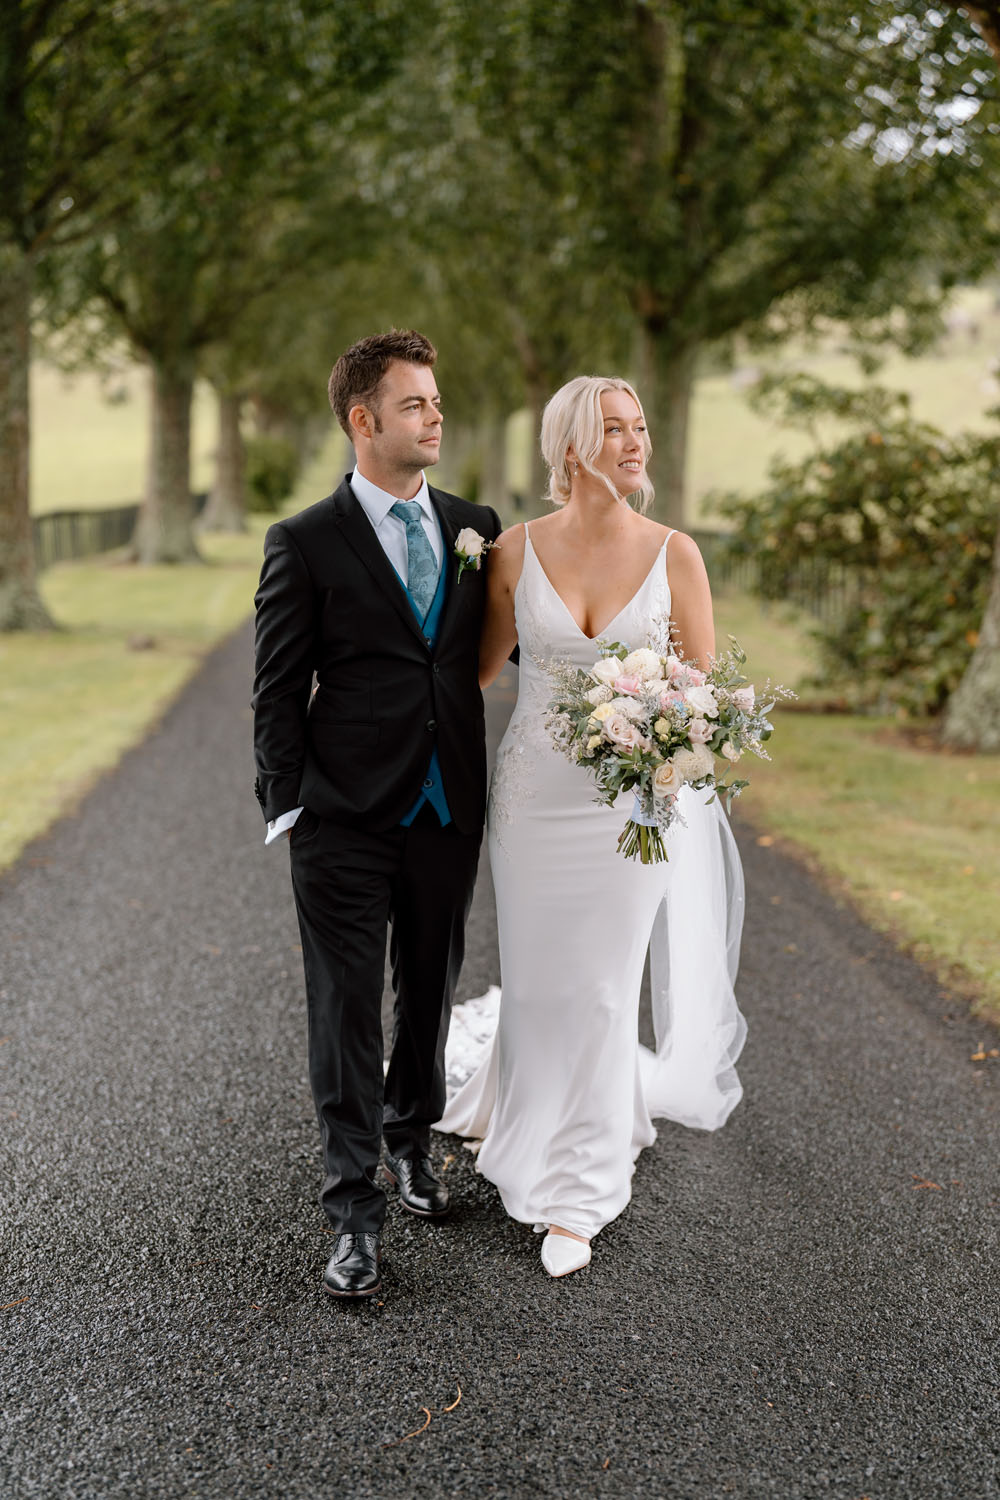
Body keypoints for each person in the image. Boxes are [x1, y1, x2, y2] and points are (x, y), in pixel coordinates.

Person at [436, 375, 746, 1278]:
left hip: (630, 807)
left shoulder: (674, 553)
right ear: (572, 445)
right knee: (538, 983)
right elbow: (476, 670)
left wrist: (675, 731)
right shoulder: (511, 552)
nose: (635, 442)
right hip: (534, 800)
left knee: (606, 989)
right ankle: (525, 1102)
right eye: (615, 428)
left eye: (641, 426)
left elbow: (707, 692)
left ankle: (579, 1186)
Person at [252, 330, 502, 1300]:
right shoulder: (305, 542)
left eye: (435, 401)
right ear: (363, 422)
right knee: (347, 1008)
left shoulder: (475, 526)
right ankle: (352, 1210)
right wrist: (288, 809)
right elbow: (276, 690)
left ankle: (410, 1144)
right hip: (341, 821)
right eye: (413, 405)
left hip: (447, 808)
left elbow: (520, 644)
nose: (434, 416)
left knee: (430, 990)